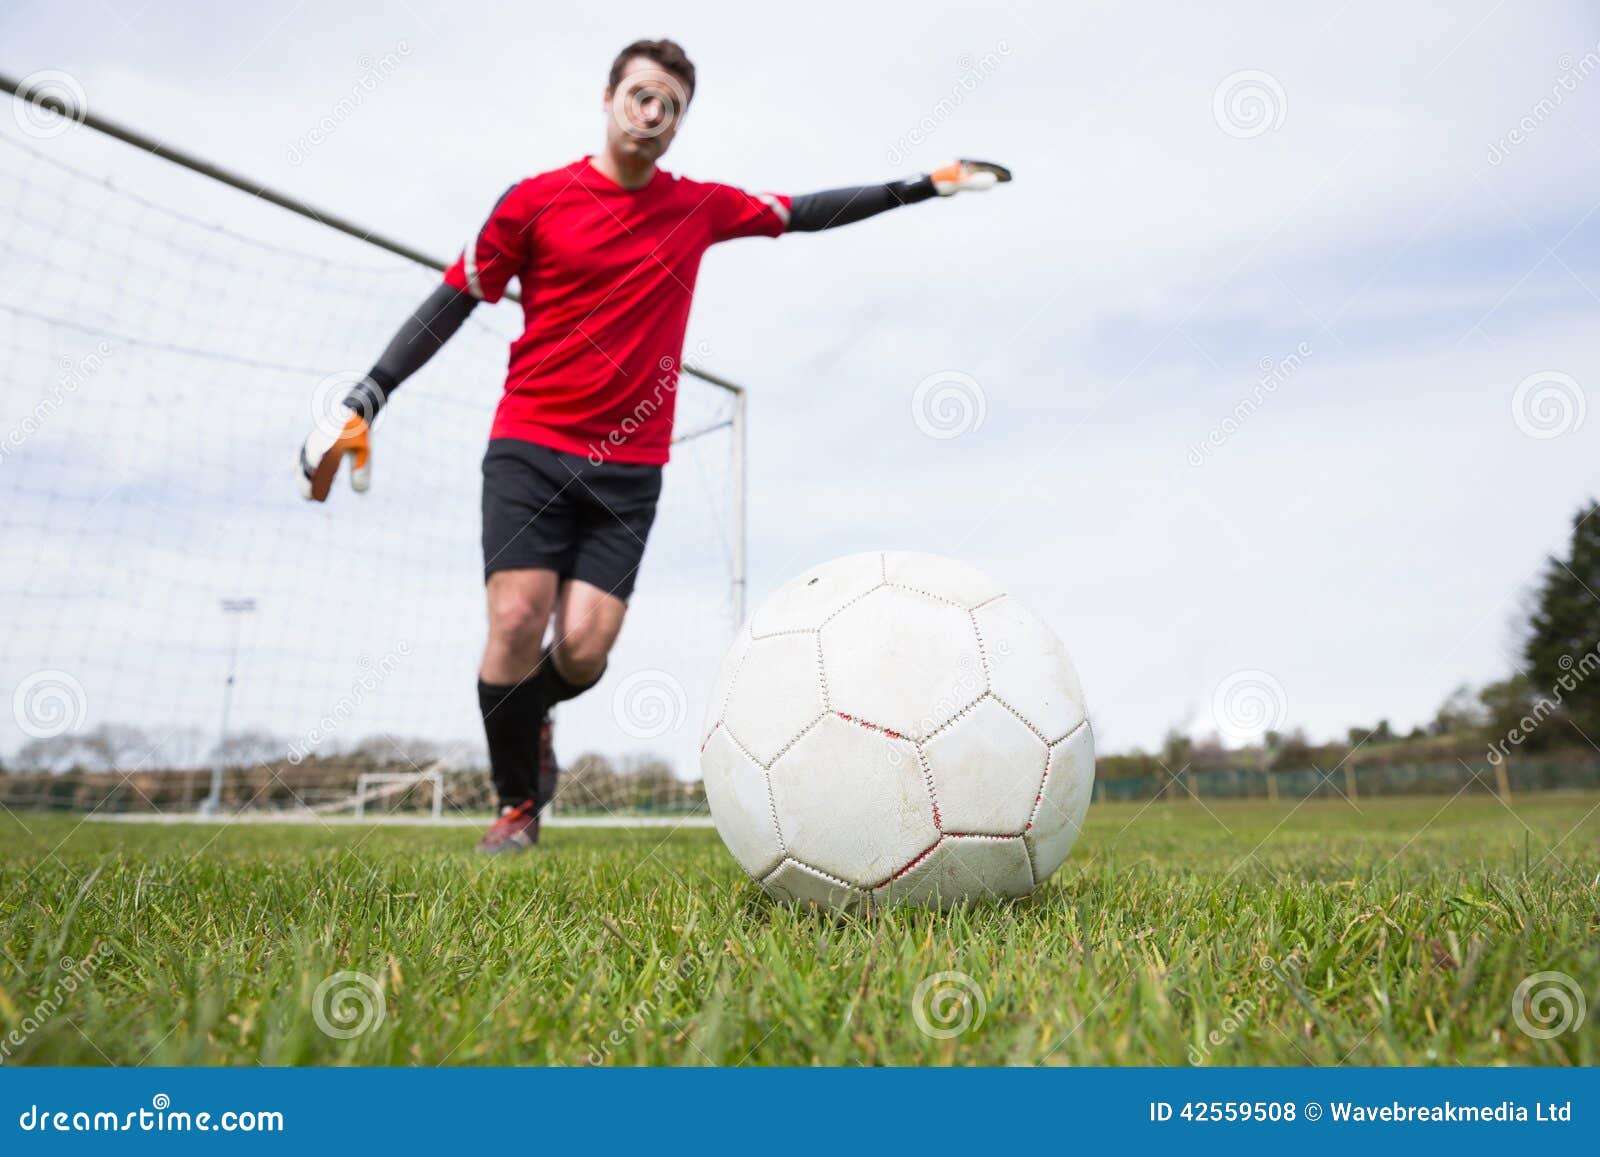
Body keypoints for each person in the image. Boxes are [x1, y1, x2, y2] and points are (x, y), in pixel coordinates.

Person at [297, 37, 1011, 852]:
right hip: (530, 444)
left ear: (678, 127)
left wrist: (923, 185)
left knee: (588, 649)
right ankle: (516, 806)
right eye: (641, 93)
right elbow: (454, 297)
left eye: (670, 104)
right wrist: (368, 395)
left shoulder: (696, 207)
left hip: (630, 468)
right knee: (516, 617)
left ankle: (529, 714)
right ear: (608, 99)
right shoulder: (532, 201)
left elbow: (804, 211)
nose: (652, 111)